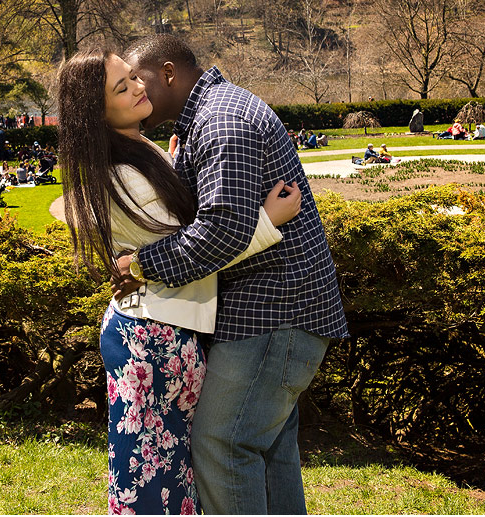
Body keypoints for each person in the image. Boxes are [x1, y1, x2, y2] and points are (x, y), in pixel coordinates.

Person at [57, 47, 303, 515]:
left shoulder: (141, 153)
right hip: (153, 338)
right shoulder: (122, 174)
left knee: (169, 476)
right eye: (121, 86)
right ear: (96, 111)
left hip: (166, 333)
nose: (137, 87)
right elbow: (199, 248)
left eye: (133, 76)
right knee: (152, 483)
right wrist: (266, 221)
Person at [115, 35, 348, 515]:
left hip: (272, 314)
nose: (137, 90)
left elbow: (221, 230)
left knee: (223, 447)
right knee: (269, 452)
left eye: (139, 78)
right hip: (275, 314)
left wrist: (142, 265)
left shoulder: (222, 121)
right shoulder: (211, 117)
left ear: (170, 72)